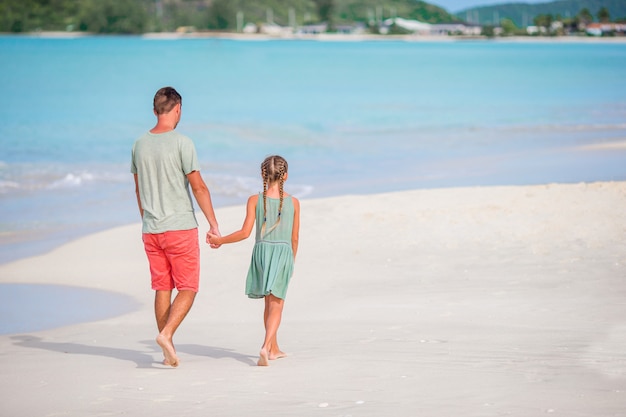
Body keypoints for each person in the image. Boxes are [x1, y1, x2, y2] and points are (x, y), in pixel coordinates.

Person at [131, 86, 221, 368]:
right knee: (188, 287)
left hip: (151, 229)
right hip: (180, 227)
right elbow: (199, 186)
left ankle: (165, 347)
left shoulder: (138, 144)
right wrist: (213, 223)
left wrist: (147, 219)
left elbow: (138, 191)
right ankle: (167, 334)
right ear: (178, 109)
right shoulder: (183, 143)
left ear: (155, 110)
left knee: (162, 287)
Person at [207, 155, 300, 366]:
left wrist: (220, 240)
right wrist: (291, 260)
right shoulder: (294, 203)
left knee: (268, 302)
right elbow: (294, 237)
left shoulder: (254, 200)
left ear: (262, 175)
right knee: (277, 304)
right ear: (285, 175)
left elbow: (244, 233)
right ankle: (266, 347)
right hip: (283, 253)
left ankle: (274, 349)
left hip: (261, 253)